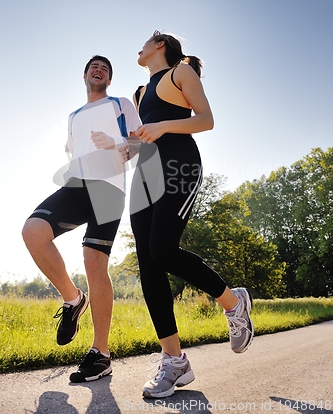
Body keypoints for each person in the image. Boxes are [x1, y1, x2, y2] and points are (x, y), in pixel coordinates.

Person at [128, 31, 254, 399]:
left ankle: (233, 303)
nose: (140, 47)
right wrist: (128, 146)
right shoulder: (140, 92)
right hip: (146, 174)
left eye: (145, 41)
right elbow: (146, 136)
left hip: (180, 166)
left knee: (163, 250)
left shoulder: (180, 73)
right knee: (147, 261)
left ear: (160, 45)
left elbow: (206, 120)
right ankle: (174, 361)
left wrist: (164, 126)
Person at [22, 55, 141, 383]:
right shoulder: (73, 116)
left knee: (93, 263)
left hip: (108, 190)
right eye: (94, 67)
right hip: (75, 187)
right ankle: (74, 300)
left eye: (105, 68)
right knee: (32, 231)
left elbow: (140, 142)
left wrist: (119, 144)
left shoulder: (120, 104)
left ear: (110, 79)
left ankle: (100, 354)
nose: (98, 70)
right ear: (85, 76)